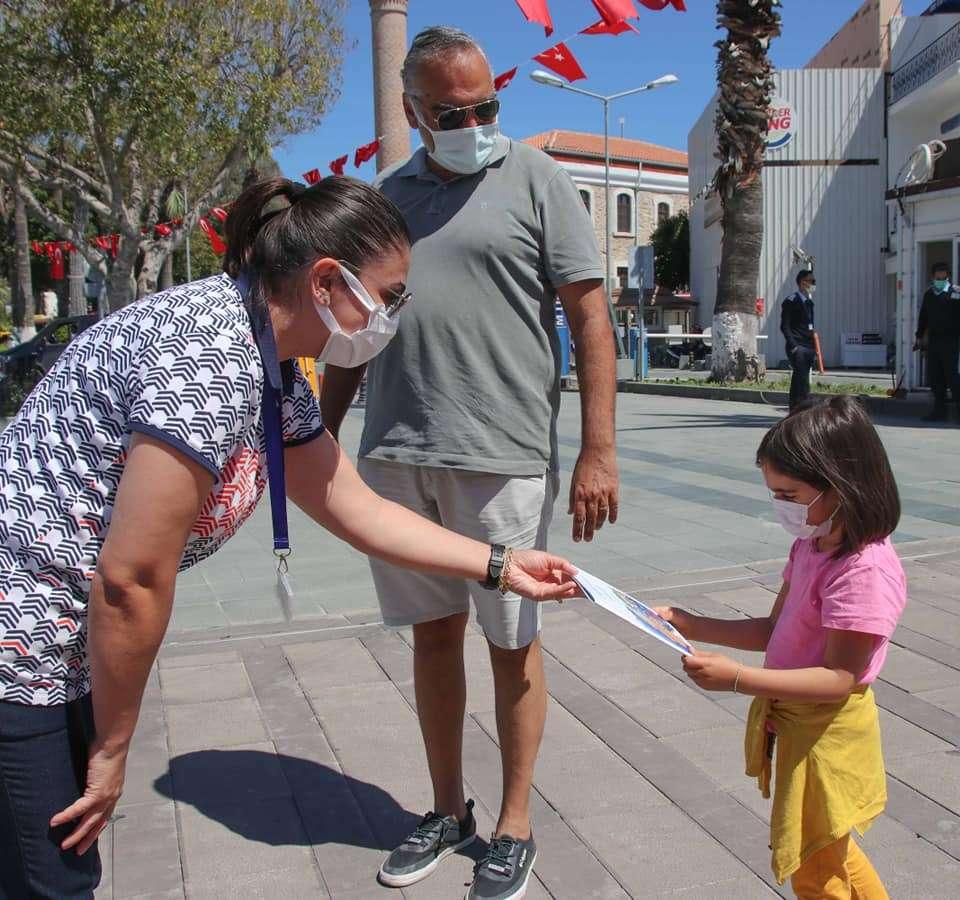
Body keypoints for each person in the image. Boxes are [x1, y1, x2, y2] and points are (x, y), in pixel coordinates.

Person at [0, 175, 579, 899]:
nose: (394, 316)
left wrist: (499, 563)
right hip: (22, 645)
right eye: (389, 295)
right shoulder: (208, 355)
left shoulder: (266, 360)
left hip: (60, 645)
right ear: (326, 282)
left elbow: (352, 506)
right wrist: (114, 748)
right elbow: (132, 580)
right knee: (52, 881)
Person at [320, 25, 618, 900]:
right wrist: (316, 437)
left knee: (511, 641)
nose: (475, 124)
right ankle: (448, 809)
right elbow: (354, 332)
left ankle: (515, 824)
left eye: (487, 105)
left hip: (503, 454)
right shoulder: (385, 197)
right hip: (399, 453)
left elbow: (590, 319)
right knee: (433, 635)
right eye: (452, 113)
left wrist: (599, 449)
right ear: (411, 110)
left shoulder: (538, 180)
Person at [656, 396, 905, 899]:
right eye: (775, 494)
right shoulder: (812, 545)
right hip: (800, 728)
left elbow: (839, 679)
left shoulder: (863, 571)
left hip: (826, 737)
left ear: (841, 484)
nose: (782, 507)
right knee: (830, 850)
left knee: (814, 867)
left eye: (790, 495)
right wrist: (689, 622)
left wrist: (738, 679)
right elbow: (774, 630)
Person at [913, 261, 960, 422]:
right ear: (932, 277)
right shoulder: (929, 294)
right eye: (937, 278)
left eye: (943, 278)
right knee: (936, 378)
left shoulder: (956, 293)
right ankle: (939, 412)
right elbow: (923, 317)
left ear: (948, 277)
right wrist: (919, 336)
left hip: (952, 342)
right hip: (934, 341)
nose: (940, 280)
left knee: (954, 378)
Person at [780, 269, 817, 412]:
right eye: (812, 281)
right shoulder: (791, 301)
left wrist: (814, 348)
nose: (813, 284)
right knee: (800, 379)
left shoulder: (809, 303)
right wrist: (794, 346)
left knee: (802, 379)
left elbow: (810, 327)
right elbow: (785, 326)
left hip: (808, 346)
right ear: (802, 282)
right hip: (797, 346)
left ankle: (800, 408)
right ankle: (797, 409)